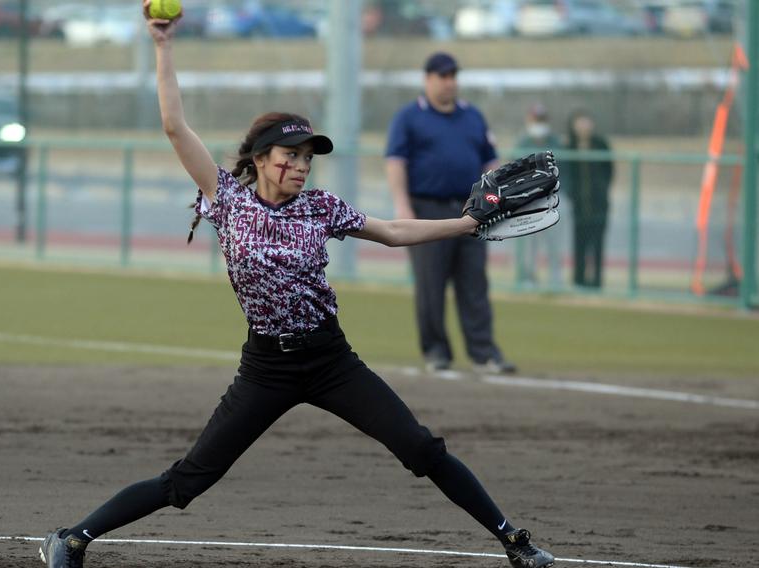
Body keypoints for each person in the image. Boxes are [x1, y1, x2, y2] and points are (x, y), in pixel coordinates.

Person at [37, 8, 555, 568]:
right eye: (290, 156)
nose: (301, 166)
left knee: (420, 448)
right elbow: (174, 127)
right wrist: (162, 47)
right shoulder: (227, 200)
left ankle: (515, 544)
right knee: (188, 481)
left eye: (307, 158)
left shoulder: (320, 206)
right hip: (266, 368)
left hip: (332, 359)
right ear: (260, 159)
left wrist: (467, 224)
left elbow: (391, 231)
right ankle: (71, 539)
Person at [385, 52, 515, 375]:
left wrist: (494, 199)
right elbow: (396, 162)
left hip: (470, 210)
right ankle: (436, 351)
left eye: (453, 76)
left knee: (474, 283)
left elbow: (490, 161)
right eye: (442, 76)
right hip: (427, 208)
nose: (449, 82)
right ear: (427, 79)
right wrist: (402, 204)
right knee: (431, 284)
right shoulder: (409, 117)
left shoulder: (472, 116)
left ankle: (484, 352)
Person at [563, 109, 613, 289]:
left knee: (598, 244)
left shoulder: (601, 144)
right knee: (579, 244)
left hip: (599, 205)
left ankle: (597, 281)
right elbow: (565, 173)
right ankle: (579, 280)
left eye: (586, 121)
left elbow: (609, 171)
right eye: (579, 122)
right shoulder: (569, 146)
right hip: (579, 205)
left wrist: (602, 190)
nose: (583, 126)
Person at [515, 103, 563, 290]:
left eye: (541, 120)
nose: (538, 124)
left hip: (553, 199)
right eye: (535, 120)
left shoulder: (556, 143)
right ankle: (528, 278)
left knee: (554, 242)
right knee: (528, 243)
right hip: (529, 201)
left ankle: (555, 280)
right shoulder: (522, 143)